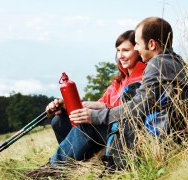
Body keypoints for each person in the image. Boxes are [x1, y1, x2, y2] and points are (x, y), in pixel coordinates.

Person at [67, 17, 188, 169]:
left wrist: (95, 116)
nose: (136, 49)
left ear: (151, 44)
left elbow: (137, 108)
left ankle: (51, 169)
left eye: (137, 43)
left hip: (158, 138)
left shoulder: (157, 65)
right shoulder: (176, 61)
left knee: (88, 126)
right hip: (171, 134)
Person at [46, 29, 146, 165]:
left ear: (138, 50)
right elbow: (101, 103)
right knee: (59, 120)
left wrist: (96, 112)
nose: (120, 55)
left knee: (88, 125)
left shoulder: (142, 77)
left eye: (126, 50)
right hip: (105, 124)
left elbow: (129, 110)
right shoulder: (119, 80)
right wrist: (68, 106)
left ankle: (52, 167)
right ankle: (75, 164)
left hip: (121, 131)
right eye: (118, 50)